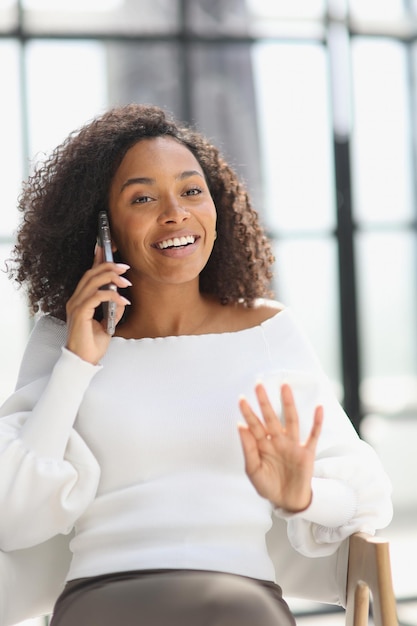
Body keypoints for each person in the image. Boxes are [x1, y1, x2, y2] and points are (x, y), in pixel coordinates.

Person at [0, 103, 392, 626]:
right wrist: (78, 362)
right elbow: (12, 517)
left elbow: (363, 499)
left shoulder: (267, 332)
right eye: (143, 197)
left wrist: (302, 496)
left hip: (239, 597)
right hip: (102, 597)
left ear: (216, 205)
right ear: (100, 228)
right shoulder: (65, 339)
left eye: (191, 191)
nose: (175, 213)